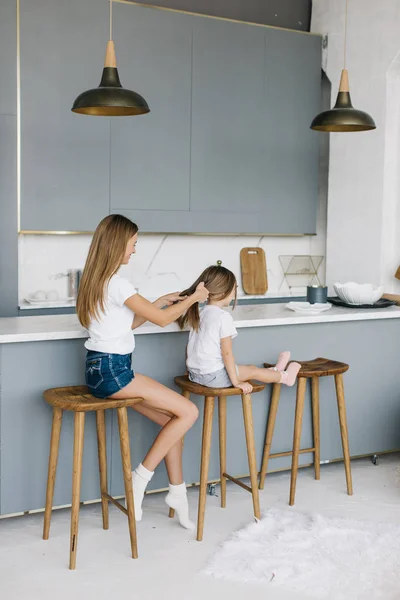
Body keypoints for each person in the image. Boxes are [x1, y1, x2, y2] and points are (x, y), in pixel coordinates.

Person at [76, 214, 209, 529]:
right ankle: (139, 479)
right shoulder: (119, 283)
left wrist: (159, 302)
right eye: (133, 244)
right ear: (118, 243)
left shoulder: (96, 280)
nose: (134, 251)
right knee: (189, 412)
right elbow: (163, 321)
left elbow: (128, 322)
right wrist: (195, 298)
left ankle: (177, 493)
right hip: (115, 371)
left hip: (98, 371)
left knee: (171, 423)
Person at [178, 265, 301, 393]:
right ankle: (286, 377)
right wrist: (236, 381)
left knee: (250, 368)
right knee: (253, 371)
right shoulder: (222, 317)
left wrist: (189, 370)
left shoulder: (201, 312)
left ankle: (276, 371)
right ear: (223, 291)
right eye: (234, 289)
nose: (234, 293)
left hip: (196, 375)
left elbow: (190, 346)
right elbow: (227, 353)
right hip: (214, 377)